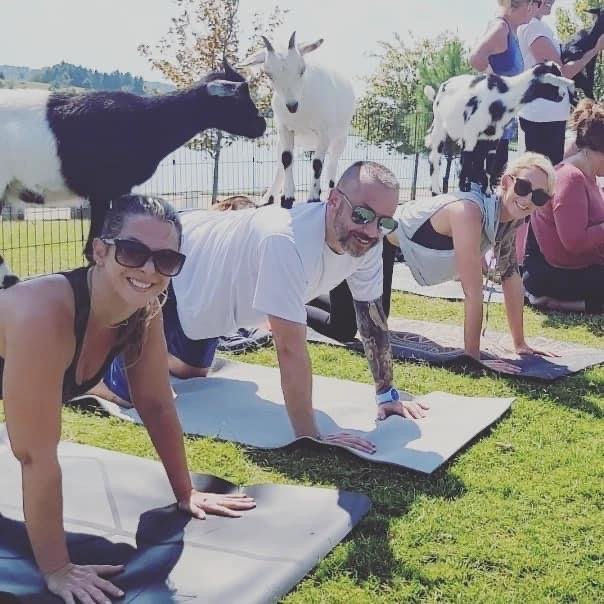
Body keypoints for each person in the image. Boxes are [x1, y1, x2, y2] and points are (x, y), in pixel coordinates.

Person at [0, 195, 255, 603]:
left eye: (166, 260)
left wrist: (185, 492)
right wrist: (57, 569)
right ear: (100, 251)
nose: (149, 270)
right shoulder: (43, 314)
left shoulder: (143, 310)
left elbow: (155, 403)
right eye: (133, 252)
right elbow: (34, 455)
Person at [101, 162, 429, 453]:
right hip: (175, 263)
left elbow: (372, 320)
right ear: (333, 201)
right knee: (131, 396)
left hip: (209, 292)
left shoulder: (368, 245)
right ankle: (93, 369)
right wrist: (310, 435)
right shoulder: (286, 240)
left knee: (192, 375)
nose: (371, 231)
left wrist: (387, 395)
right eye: (362, 215)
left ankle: (147, 348)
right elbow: (289, 349)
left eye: (384, 222)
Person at [387, 152, 558, 372]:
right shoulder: (469, 212)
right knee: (350, 329)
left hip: (398, 249)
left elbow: (510, 275)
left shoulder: (509, 219)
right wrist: (474, 358)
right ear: (507, 182)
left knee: (364, 324)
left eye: (539, 197)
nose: (527, 200)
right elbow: (472, 292)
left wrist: (520, 344)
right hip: (374, 240)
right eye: (523, 187)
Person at [522, 99, 604, 313]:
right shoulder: (571, 178)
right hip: (557, 273)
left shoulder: (588, 177)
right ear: (595, 150)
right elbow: (574, 242)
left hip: (576, 267)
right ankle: (561, 304)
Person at [517, 0, 604, 165]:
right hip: (541, 116)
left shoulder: (542, 28)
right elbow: (561, 73)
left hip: (550, 115)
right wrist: (595, 50)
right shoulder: (532, 27)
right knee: (539, 171)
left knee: (549, 171)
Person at [467, 0, 534, 190]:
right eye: (528, 5)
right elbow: (476, 57)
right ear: (514, 5)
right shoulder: (501, 28)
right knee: (482, 178)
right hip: (490, 118)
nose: (531, 9)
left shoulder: (511, 32)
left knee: (495, 175)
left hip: (502, 119)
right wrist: (496, 81)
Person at [305, 237, 398, 342]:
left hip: (380, 240)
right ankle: (296, 307)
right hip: (349, 238)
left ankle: (311, 297)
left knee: (377, 317)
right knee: (343, 330)